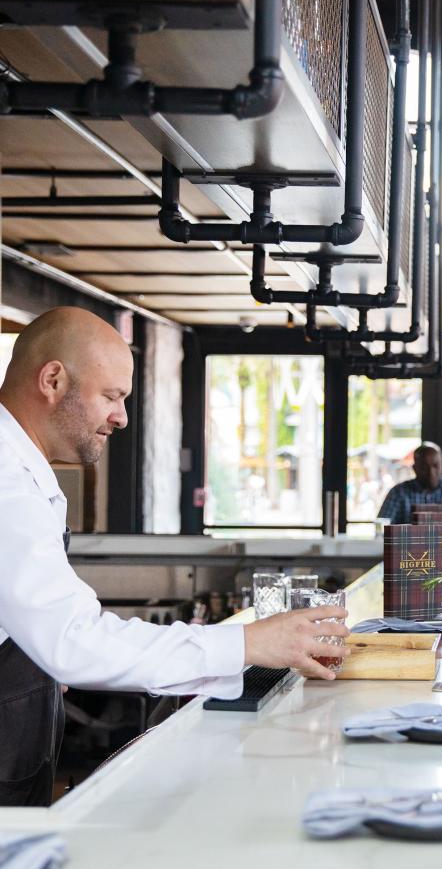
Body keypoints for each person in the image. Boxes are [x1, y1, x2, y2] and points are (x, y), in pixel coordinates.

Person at [0, 308, 347, 807]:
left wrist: (44, 671)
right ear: (52, 379)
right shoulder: (8, 482)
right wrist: (247, 643)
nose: (120, 416)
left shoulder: (25, 470)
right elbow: (73, 642)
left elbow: (47, 634)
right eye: (111, 396)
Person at [376, 441, 442, 525]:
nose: (431, 472)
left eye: (435, 466)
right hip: (408, 544)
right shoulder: (398, 493)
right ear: (414, 468)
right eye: (424, 467)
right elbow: (382, 527)